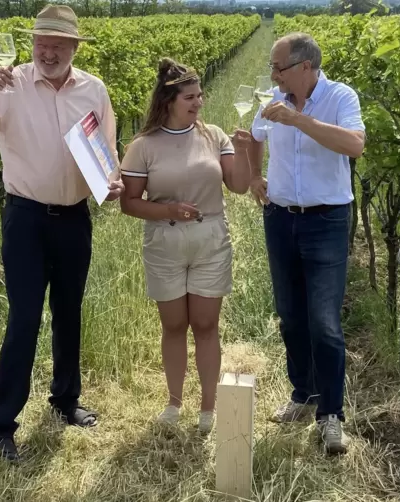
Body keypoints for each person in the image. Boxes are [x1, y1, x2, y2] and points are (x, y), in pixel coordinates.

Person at [0, 4, 124, 461]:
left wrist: (113, 179)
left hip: (74, 217)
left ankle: (66, 401)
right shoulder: (7, 86)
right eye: (41, 44)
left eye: (57, 45)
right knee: (25, 318)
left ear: (73, 48)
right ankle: (1, 424)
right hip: (25, 218)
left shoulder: (95, 89)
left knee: (69, 312)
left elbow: (107, 151)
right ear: (31, 46)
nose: (47, 52)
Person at [246, 32, 365, 454]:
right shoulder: (270, 99)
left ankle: (331, 414)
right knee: (290, 315)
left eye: (279, 67)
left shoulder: (340, 97)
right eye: (273, 68)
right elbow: (253, 137)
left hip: (326, 221)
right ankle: (304, 394)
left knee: (325, 323)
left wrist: (299, 120)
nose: (273, 74)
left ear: (305, 67)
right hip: (279, 218)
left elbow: (354, 144)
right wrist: (255, 175)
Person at [119, 58, 252, 432]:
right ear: (169, 100)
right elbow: (129, 203)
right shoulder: (144, 146)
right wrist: (168, 210)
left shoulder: (215, 136)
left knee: (207, 324)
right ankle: (174, 404)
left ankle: (207, 409)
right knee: (174, 326)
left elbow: (239, 186)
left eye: (200, 96)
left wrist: (243, 150)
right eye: (190, 97)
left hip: (211, 239)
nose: (198, 104)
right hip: (165, 241)